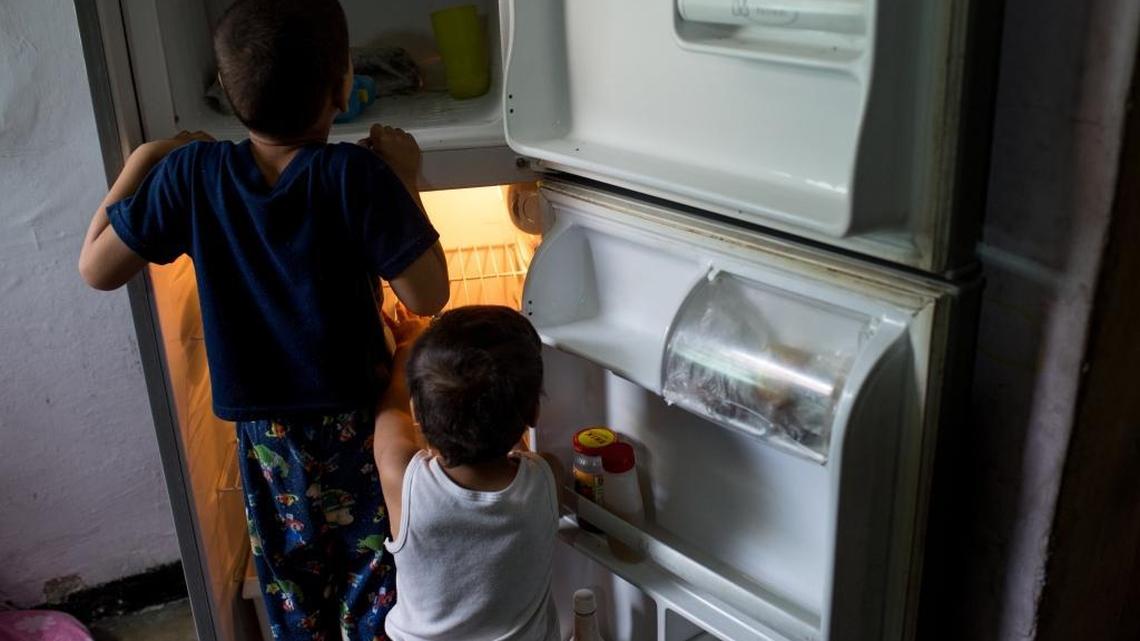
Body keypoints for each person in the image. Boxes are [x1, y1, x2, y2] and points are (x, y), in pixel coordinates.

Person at [76, 0, 450, 638]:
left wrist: (145, 158)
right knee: (372, 578)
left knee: (289, 580)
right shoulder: (356, 175)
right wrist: (405, 178)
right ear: (343, 85)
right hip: (355, 427)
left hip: (266, 439)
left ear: (226, 92)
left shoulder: (192, 174)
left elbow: (96, 267)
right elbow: (428, 295)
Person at [374, 306, 561, 641]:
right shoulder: (546, 479)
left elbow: (392, 409)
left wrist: (406, 343)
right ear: (533, 413)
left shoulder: (405, 482)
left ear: (421, 417)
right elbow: (524, 456)